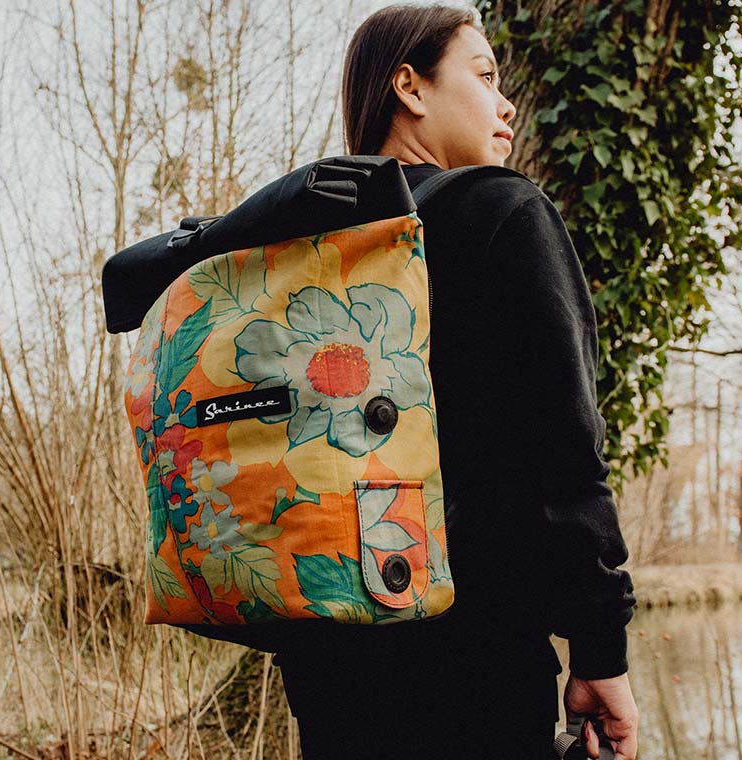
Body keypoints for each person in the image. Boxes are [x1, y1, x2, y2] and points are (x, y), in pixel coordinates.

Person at [269, 4, 641, 759]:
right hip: (477, 666)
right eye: (484, 75)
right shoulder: (499, 212)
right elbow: (563, 456)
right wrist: (600, 650)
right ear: (410, 87)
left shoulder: (295, 251)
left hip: (328, 669)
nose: (505, 103)